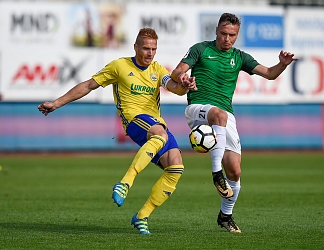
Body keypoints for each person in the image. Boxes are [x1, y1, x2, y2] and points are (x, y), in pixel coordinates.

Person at [38, 28, 196, 235]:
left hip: (156, 123)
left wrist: (184, 85)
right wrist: (57, 103)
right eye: (146, 48)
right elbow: (88, 85)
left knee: (176, 166)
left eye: (154, 49)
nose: (150, 53)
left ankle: (142, 216)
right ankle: (125, 182)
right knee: (160, 133)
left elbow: (174, 87)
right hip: (134, 122)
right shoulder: (119, 66)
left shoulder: (158, 69)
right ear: (136, 47)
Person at [171, 13, 298, 233]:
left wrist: (282, 64)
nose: (227, 39)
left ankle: (225, 216)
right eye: (223, 33)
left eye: (232, 35)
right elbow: (177, 71)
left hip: (225, 117)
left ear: (237, 35)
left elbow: (269, 74)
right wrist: (183, 78)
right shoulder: (201, 49)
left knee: (236, 172)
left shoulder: (240, 57)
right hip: (198, 109)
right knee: (219, 115)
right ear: (216, 31)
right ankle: (215, 174)